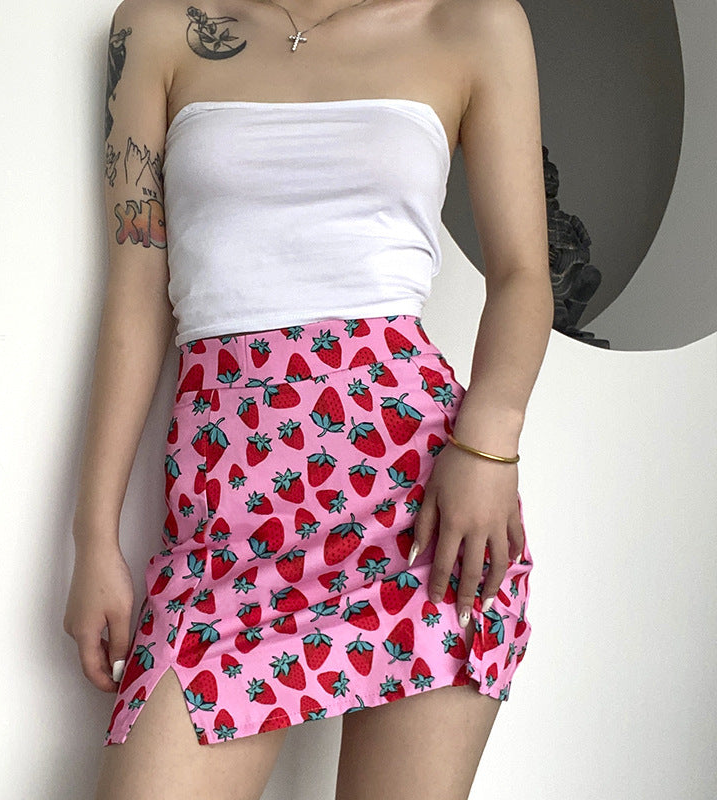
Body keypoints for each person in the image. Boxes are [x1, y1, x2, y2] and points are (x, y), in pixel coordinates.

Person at [64, 0, 553, 796]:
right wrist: (94, 537)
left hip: (421, 506)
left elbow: (524, 274)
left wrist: (489, 443)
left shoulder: (471, 23)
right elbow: (135, 294)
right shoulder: (157, 25)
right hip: (225, 516)